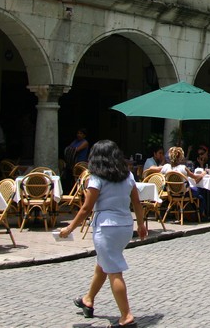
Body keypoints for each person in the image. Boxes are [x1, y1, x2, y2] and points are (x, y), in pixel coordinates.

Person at [59, 139, 146, 328]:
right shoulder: (128, 175)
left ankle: (126, 316)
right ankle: (88, 299)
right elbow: (137, 203)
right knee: (103, 264)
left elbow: (86, 208)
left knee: (114, 270)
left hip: (106, 227)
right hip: (124, 226)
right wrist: (140, 224)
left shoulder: (96, 178)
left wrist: (69, 228)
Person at [160, 147, 208, 219]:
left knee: (197, 194)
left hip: (171, 193)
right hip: (183, 193)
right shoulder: (183, 168)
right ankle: (202, 214)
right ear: (180, 157)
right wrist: (203, 173)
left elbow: (160, 175)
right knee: (201, 190)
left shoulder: (166, 167)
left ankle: (194, 212)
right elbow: (195, 177)